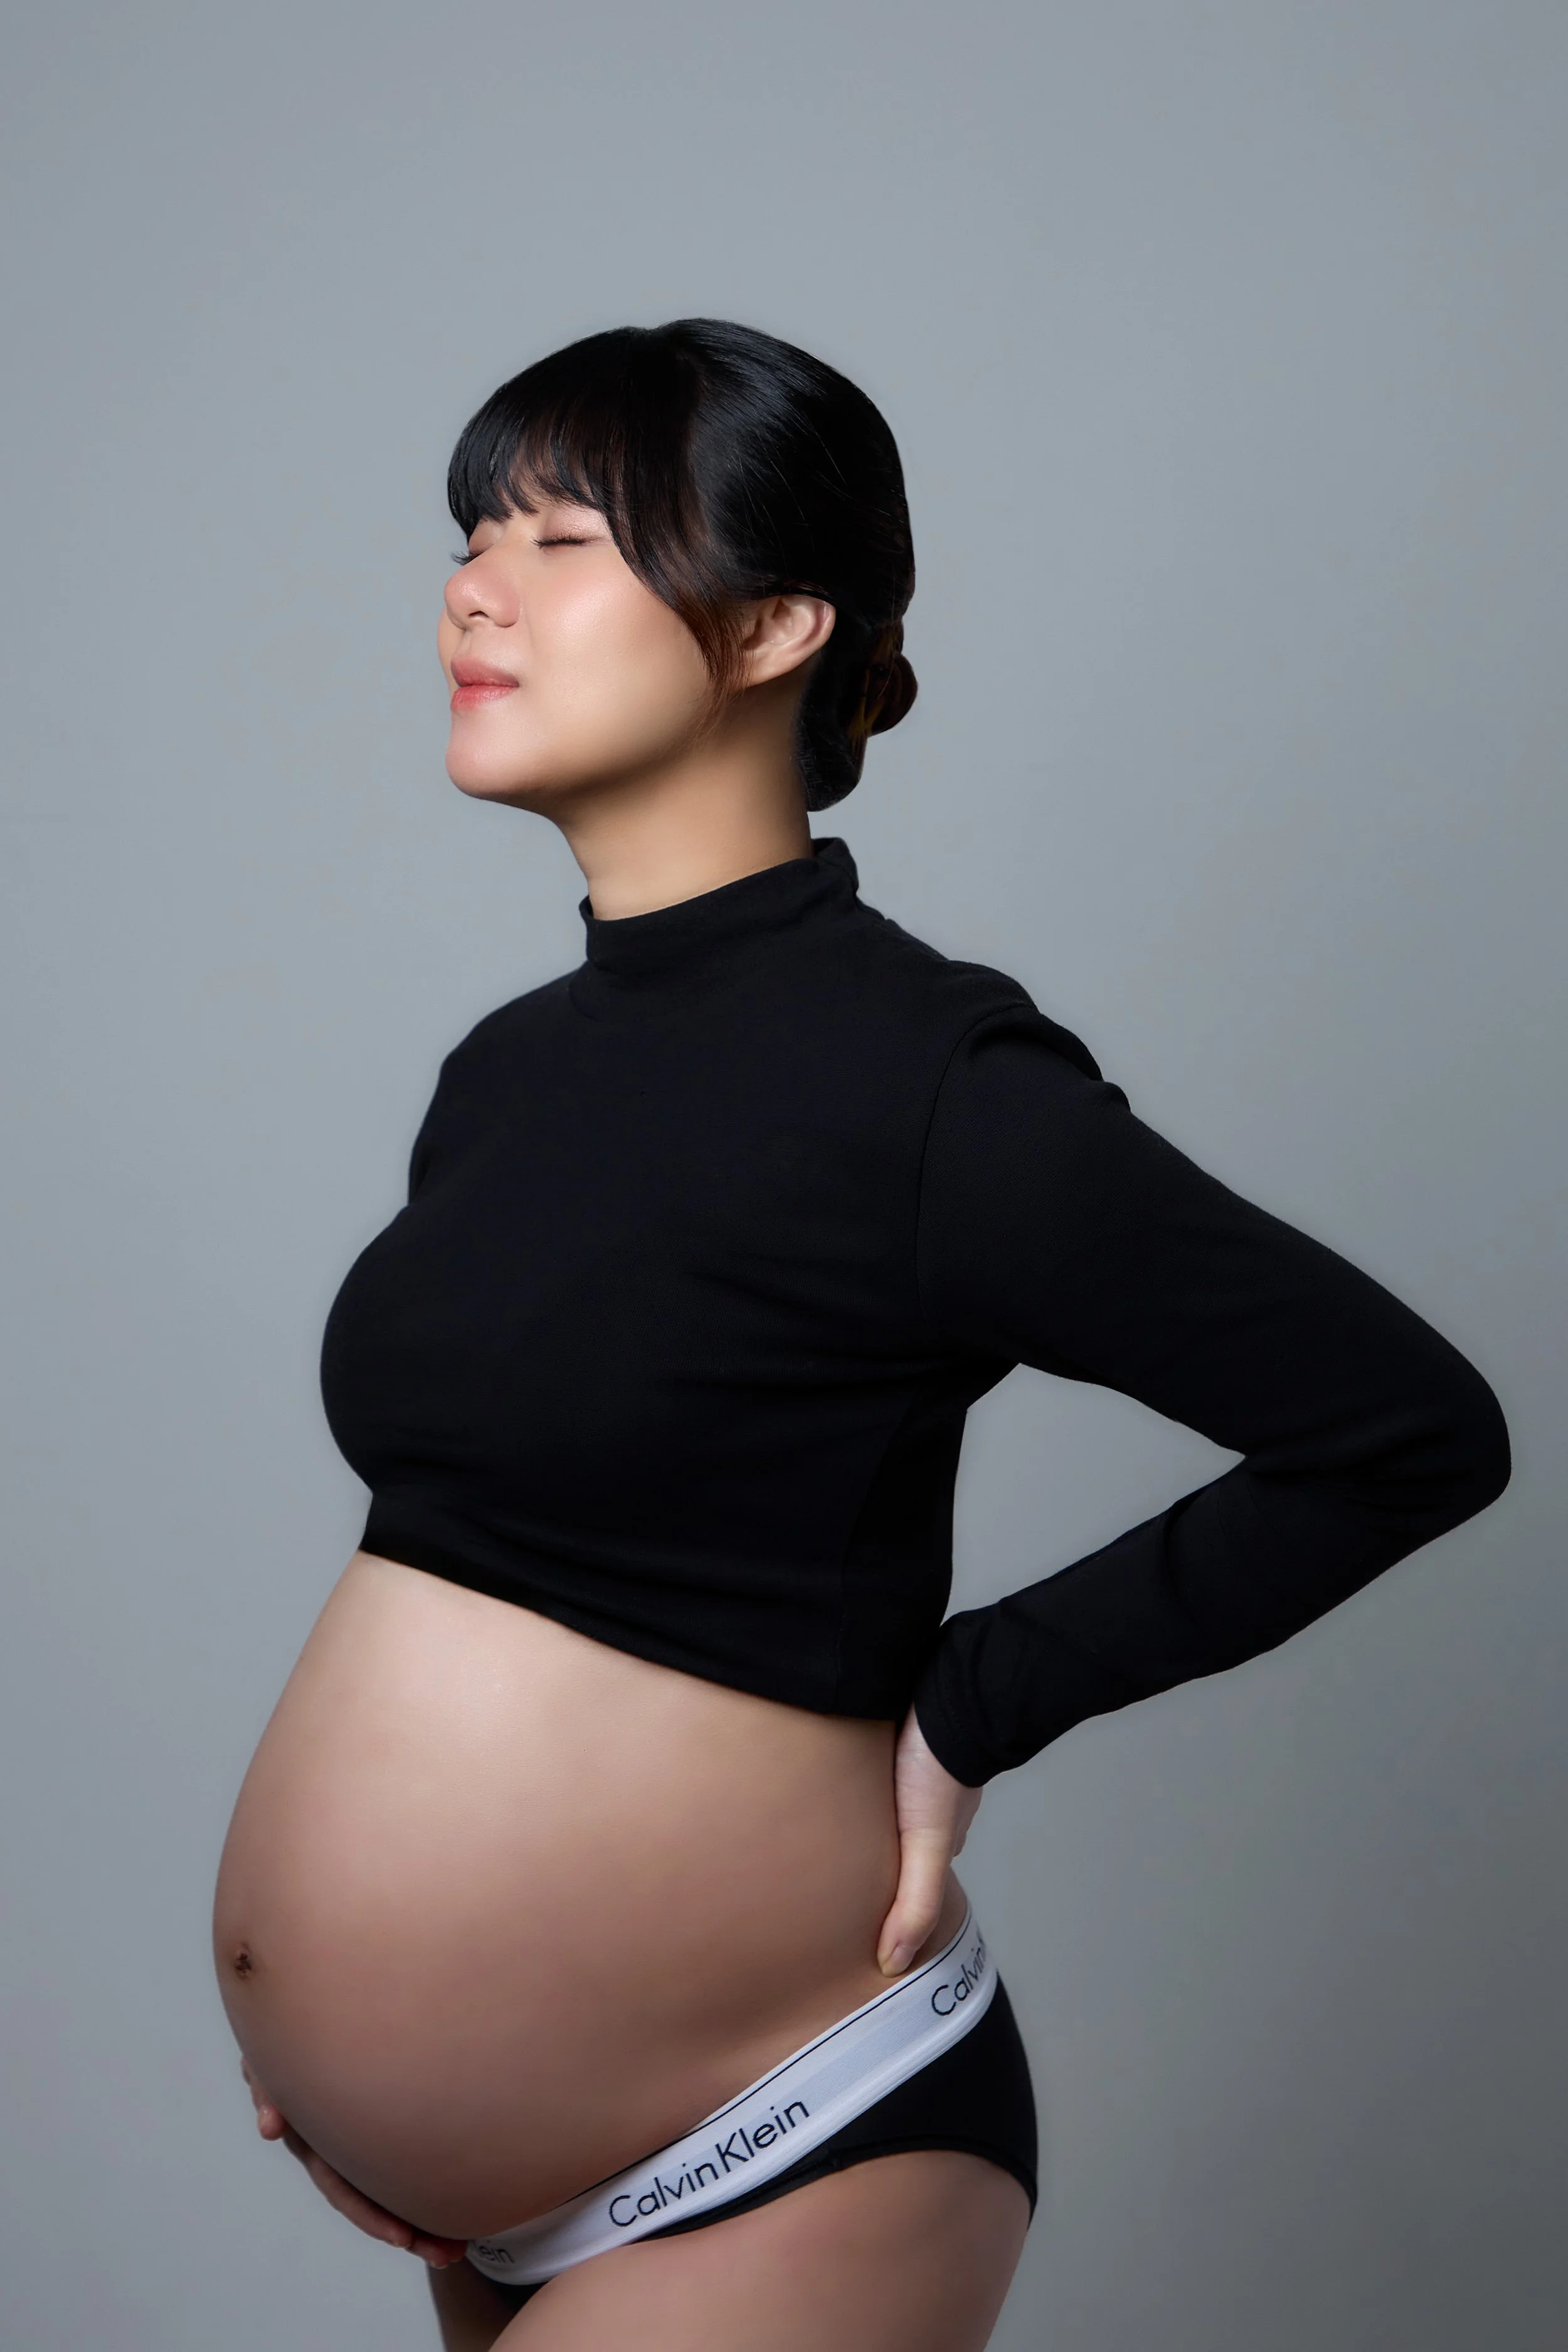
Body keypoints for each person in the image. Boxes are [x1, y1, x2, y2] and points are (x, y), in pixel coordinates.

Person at [213, 319, 1510, 2352]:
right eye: (474, 529)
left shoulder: (932, 1089)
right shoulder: (506, 1070)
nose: (473, 583)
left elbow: (1407, 1429)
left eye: (562, 537)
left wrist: (980, 1690)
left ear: (772, 625)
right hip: (470, 2199)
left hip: (784, 2141)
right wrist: (374, 2042)